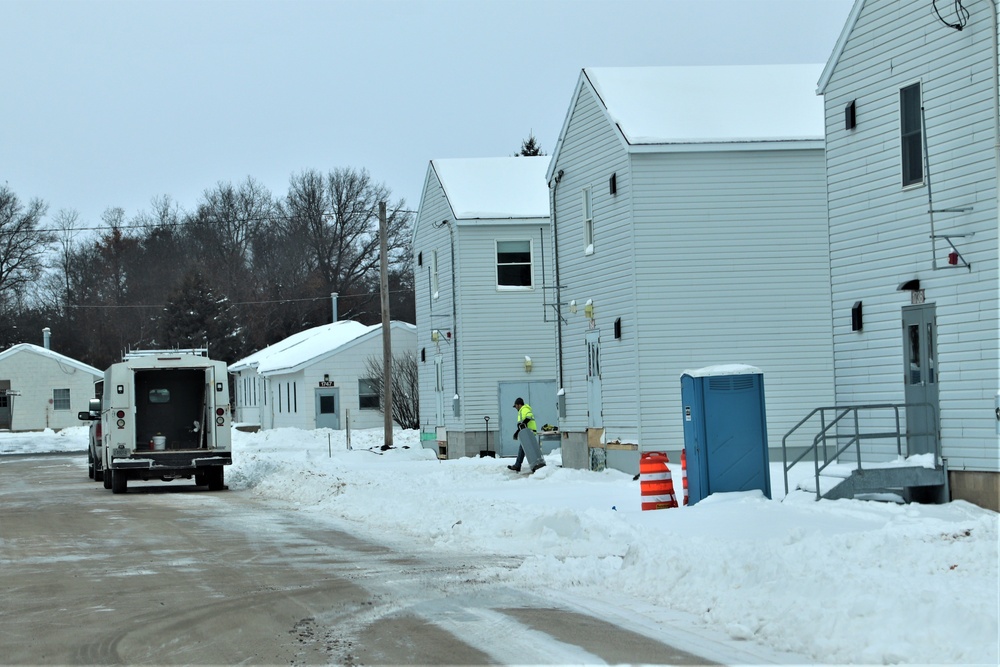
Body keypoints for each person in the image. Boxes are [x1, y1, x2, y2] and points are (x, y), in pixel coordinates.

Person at [508, 397, 545, 472]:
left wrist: (523, 424)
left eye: (516, 406)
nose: (515, 408)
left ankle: (531, 465)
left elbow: (529, 416)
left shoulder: (525, 409)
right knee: (523, 449)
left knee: (526, 449)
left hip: (528, 433)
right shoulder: (521, 411)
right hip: (526, 433)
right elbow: (521, 425)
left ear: (519, 405)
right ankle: (519, 465)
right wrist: (517, 431)